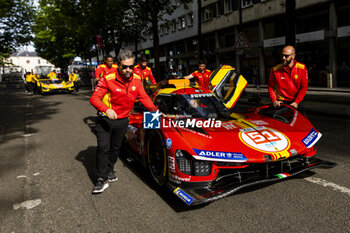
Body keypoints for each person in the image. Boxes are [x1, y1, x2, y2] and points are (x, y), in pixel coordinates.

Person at [89, 49, 158, 194]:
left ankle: (109, 169)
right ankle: (102, 179)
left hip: (123, 121)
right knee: (103, 147)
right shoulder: (108, 78)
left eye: (130, 67)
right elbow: (94, 98)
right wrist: (106, 109)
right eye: (124, 66)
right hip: (105, 120)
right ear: (118, 65)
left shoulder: (137, 79)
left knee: (115, 148)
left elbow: (144, 98)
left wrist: (156, 111)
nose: (128, 70)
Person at [268, 45, 308, 110]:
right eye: (282, 55)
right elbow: (270, 86)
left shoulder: (302, 68)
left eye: (286, 56)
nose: (283, 58)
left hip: (296, 102)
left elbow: (304, 87)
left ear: (293, 56)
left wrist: (296, 102)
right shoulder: (275, 70)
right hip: (281, 102)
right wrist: (274, 100)